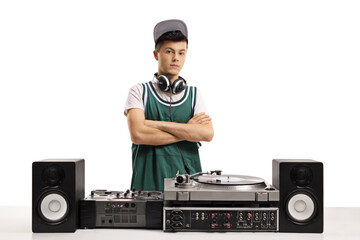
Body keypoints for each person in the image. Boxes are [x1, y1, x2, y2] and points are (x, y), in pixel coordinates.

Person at [124, 19, 214, 191]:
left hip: (189, 191)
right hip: (147, 189)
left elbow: (207, 133)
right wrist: (189, 132)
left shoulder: (195, 95)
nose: (176, 58)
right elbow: (138, 134)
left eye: (181, 53)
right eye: (169, 51)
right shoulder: (138, 92)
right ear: (156, 54)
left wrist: (153, 124)